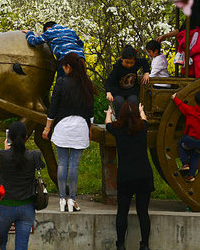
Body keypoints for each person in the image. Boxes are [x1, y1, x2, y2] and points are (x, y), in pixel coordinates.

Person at [43, 52, 95, 212]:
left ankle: (61, 199)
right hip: (81, 127)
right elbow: (90, 110)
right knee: (74, 165)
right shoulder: (86, 83)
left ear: (68, 67)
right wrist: (90, 129)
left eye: (64, 66)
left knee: (63, 163)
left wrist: (47, 128)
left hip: (63, 127)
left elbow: (53, 108)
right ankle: (72, 199)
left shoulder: (61, 82)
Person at [105, 101, 153, 250]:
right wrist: (141, 110)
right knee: (143, 212)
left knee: (122, 211)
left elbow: (107, 124)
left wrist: (108, 114)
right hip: (144, 174)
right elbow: (144, 118)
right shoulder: (143, 127)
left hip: (126, 175)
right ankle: (144, 244)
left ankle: (120, 244)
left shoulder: (117, 129)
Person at [0, 121, 44, 250]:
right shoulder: (34, 156)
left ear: (9, 138)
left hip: (5, 206)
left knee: (0, 244)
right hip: (27, 207)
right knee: (22, 246)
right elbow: (40, 165)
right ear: (26, 138)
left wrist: (6, 151)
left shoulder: (1, 156)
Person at [172, 90, 200, 182]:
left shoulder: (190, 110)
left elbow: (181, 105)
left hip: (191, 139)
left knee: (181, 144)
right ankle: (190, 176)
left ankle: (185, 163)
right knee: (195, 157)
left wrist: (174, 98)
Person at [105, 45, 151, 114]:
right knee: (119, 102)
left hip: (131, 90)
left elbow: (144, 62)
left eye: (131, 63)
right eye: (127, 62)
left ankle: (133, 120)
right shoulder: (117, 67)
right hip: (118, 90)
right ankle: (120, 120)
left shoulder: (136, 62)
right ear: (121, 59)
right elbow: (109, 81)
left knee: (133, 101)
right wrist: (108, 92)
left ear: (135, 60)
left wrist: (146, 72)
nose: (129, 65)